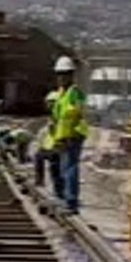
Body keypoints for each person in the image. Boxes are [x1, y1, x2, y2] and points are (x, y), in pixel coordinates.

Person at [52, 55, 89, 214]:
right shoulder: (62, 93)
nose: (62, 77)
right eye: (59, 74)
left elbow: (80, 113)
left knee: (70, 169)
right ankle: (66, 200)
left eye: (65, 74)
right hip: (63, 137)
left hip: (73, 136)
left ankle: (71, 203)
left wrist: (72, 134)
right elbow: (58, 118)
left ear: (71, 75)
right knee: (64, 169)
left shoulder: (75, 93)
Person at [34, 90, 64, 198]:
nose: (49, 105)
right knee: (39, 157)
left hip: (57, 146)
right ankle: (41, 182)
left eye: (51, 102)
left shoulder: (59, 114)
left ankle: (59, 192)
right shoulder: (54, 114)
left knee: (55, 169)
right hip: (51, 146)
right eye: (48, 102)